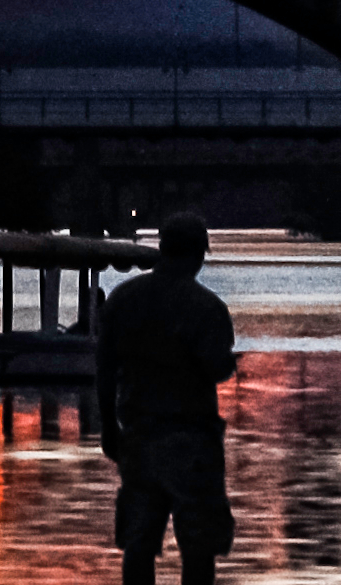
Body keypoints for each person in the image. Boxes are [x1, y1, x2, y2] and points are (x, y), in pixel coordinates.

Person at [98, 212, 238, 585]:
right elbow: (216, 368)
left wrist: (108, 427)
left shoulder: (123, 299)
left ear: (162, 249)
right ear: (197, 254)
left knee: (138, 543)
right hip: (192, 442)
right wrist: (230, 363)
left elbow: (104, 369)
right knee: (199, 546)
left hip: (138, 437)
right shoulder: (207, 307)